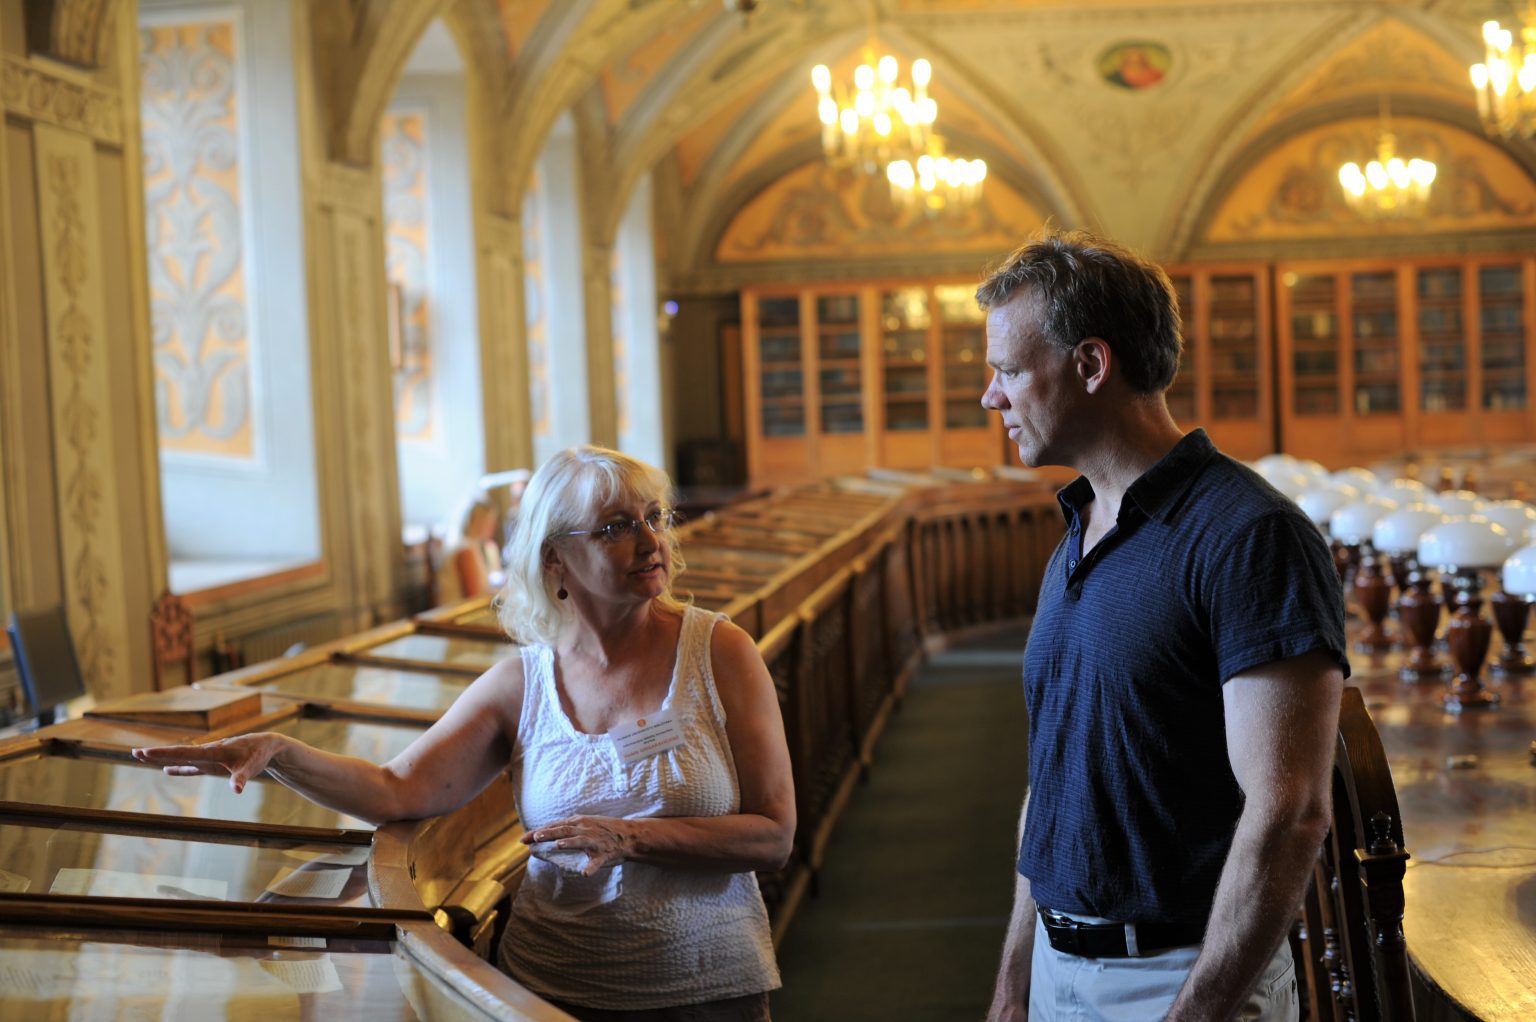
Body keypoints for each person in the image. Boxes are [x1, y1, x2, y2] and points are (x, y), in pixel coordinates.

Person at [134, 445, 795, 1022]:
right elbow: (397, 788)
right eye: (617, 527)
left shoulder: (719, 653)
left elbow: (773, 834)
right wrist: (281, 755)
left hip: (704, 990)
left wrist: (628, 837)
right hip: (549, 989)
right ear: (554, 557)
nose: (651, 543)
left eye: (656, 517)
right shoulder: (524, 686)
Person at [976, 230, 1347, 1021]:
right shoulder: (1077, 529)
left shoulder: (1249, 535)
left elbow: (1290, 813)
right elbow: (1052, 783)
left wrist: (1196, 1010)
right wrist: (1016, 975)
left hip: (1182, 975)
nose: (991, 397)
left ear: (1090, 365)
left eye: (1008, 371)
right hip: (1056, 962)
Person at [436, 495, 505, 604]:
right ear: (478, 522)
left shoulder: (469, 545)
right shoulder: (465, 550)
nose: (494, 527)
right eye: (490, 522)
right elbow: (474, 596)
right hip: (457, 615)